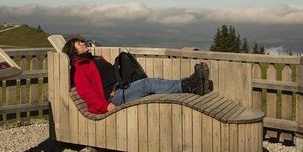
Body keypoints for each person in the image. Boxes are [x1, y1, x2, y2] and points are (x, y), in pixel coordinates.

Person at [63, 36, 212, 114]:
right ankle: (190, 85)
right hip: (114, 96)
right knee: (148, 84)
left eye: (82, 41)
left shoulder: (94, 58)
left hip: (121, 87)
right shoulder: (79, 67)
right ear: (73, 50)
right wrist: (105, 106)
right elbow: (87, 93)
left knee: (154, 81)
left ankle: (189, 84)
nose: (83, 43)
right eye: (78, 43)